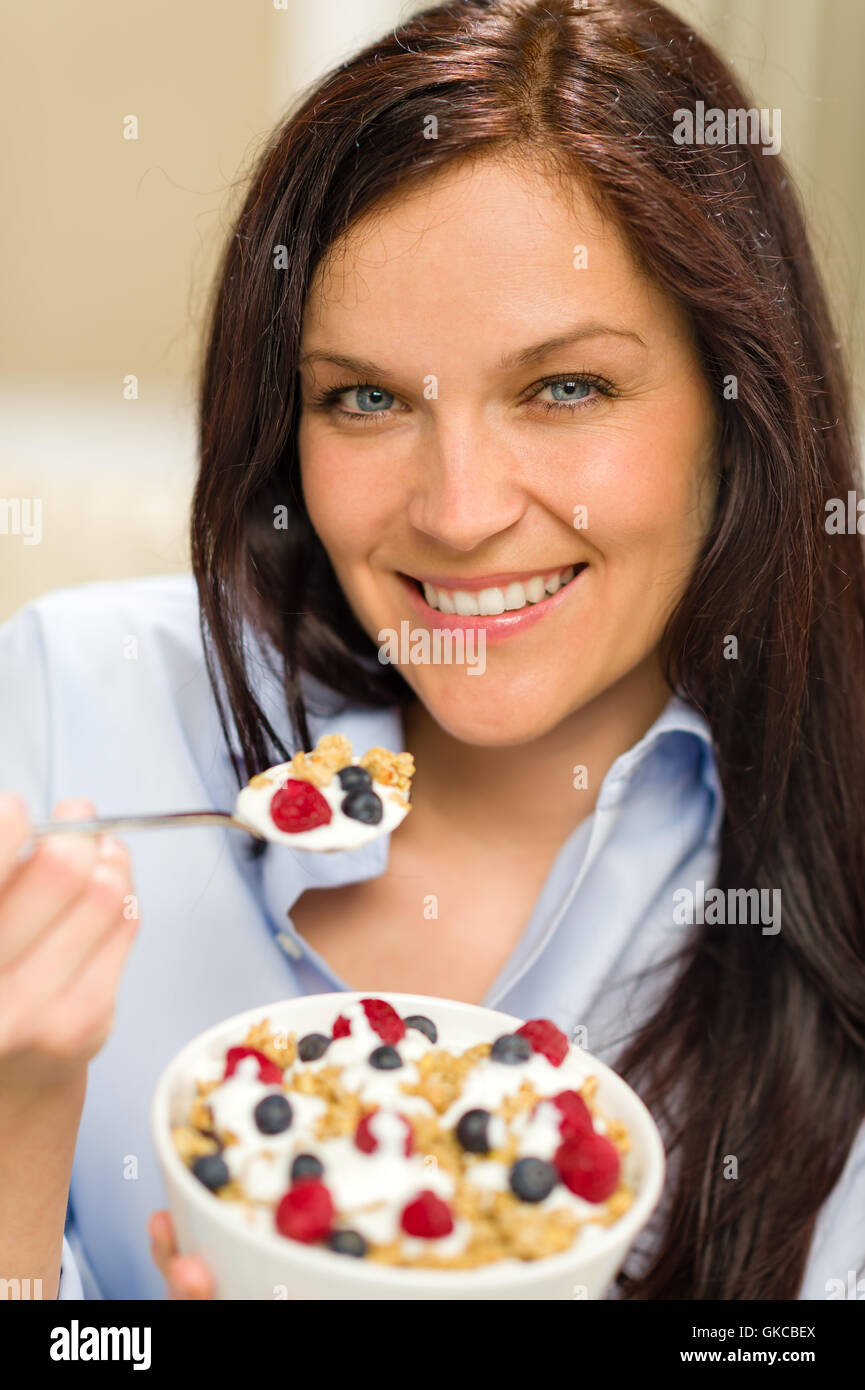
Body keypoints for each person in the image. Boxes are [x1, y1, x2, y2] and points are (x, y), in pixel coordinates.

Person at [2, 0, 864, 1301]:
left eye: (564, 387)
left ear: (733, 410)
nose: (458, 513)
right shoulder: (79, 706)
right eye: (364, 398)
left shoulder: (833, 873)